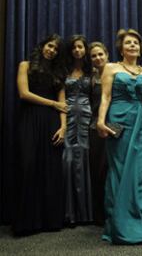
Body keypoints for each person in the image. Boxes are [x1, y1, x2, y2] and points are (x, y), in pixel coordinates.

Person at [97, 28, 142, 244]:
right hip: (117, 120)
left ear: (141, 48)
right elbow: (105, 97)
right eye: (128, 43)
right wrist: (100, 121)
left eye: (136, 43)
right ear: (121, 48)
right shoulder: (110, 68)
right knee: (119, 168)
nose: (133, 46)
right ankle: (119, 220)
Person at [13, 34, 67, 235]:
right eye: (50, 46)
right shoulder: (25, 65)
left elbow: (64, 105)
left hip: (52, 122)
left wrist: (63, 127)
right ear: (42, 46)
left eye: (55, 50)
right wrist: (53, 103)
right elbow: (24, 94)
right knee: (28, 165)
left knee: (50, 169)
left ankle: (49, 221)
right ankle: (26, 223)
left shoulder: (58, 73)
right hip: (30, 119)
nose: (51, 51)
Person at [62, 35, 93, 225]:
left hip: (87, 118)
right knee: (68, 160)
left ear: (85, 49)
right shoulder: (63, 70)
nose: (77, 50)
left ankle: (86, 213)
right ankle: (69, 213)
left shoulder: (91, 70)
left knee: (85, 160)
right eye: (74, 47)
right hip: (67, 117)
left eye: (80, 47)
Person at [88, 41, 109, 226]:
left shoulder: (117, 73)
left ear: (107, 55)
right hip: (95, 127)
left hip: (117, 126)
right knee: (99, 171)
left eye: (100, 54)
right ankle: (100, 215)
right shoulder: (90, 79)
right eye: (94, 56)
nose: (97, 58)